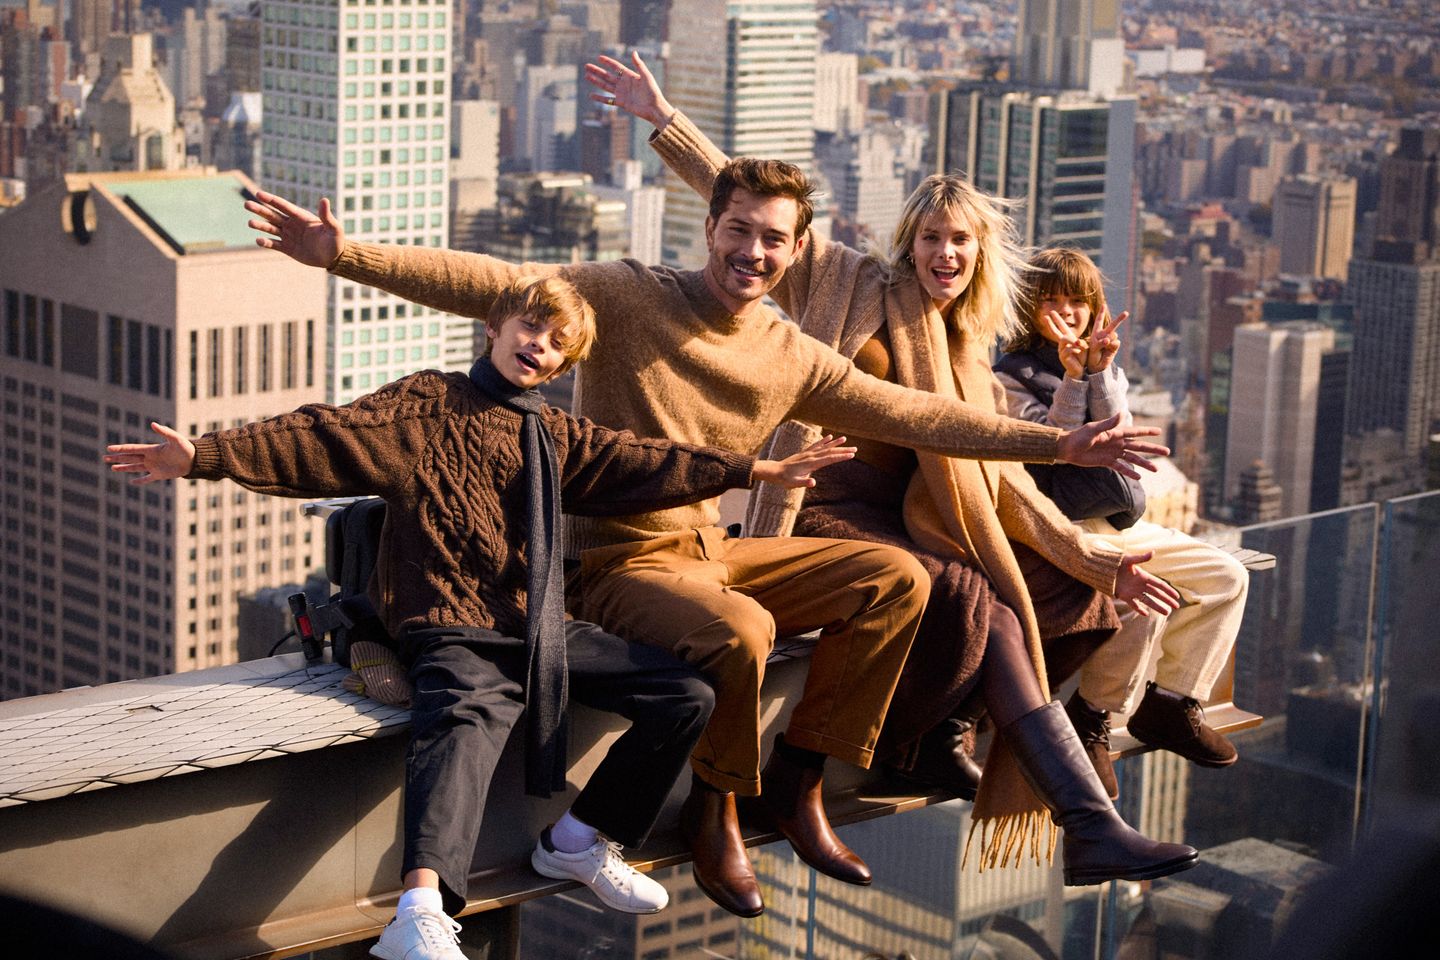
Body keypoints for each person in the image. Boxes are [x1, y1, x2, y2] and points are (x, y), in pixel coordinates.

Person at [240, 130, 1172, 915]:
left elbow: (919, 417)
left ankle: (800, 780)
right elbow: (498, 281)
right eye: (738, 231)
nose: (753, 254)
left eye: (774, 240)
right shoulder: (626, 294)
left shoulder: (789, 351)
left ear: (794, 251)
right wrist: (343, 255)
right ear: (711, 228)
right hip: (614, 562)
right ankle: (717, 809)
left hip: (713, 548)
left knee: (897, 581)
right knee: (743, 629)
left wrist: (1061, 449)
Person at [103, 276, 855, 960]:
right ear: (493, 326)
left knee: (684, 695)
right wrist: (203, 455)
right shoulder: (426, 403)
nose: (539, 345)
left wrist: (752, 469)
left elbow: (637, 460)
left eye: (558, 343)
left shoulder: (551, 434)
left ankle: (579, 840)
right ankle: (420, 909)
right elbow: (323, 433)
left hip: (533, 624)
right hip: (444, 620)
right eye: (530, 326)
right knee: (462, 720)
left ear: (564, 367)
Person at [590, 52, 1200, 886]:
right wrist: (662, 120)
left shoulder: (969, 355)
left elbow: (998, 479)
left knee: (1049, 596)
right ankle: (851, 775)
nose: (942, 253)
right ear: (907, 240)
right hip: (815, 503)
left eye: (959, 240)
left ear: (982, 254)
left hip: (898, 517)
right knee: (964, 591)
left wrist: (1092, 555)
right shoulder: (848, 280)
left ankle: (1076, 817)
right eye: (930, 236)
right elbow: (747, 212)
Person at [994, 246, 1248, 797]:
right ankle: (1092, 719)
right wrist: (1070, 377)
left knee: (1227, 576)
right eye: (1051, 300)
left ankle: (1173, 702)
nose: (1067, 312)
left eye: (1077, 301)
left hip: (1115, 521)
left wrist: (1099, 370)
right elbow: (1051, 448)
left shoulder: (1103, 362)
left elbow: (1116, 429)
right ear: (1027, 307)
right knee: (1140, 605)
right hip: (1059, 528)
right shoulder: (1008, 378)